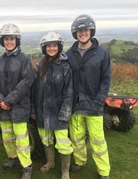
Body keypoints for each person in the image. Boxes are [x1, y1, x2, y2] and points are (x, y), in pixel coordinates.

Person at [66, 14, 111, 179]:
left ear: (91, 31)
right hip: (76, 105)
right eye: (79, 31)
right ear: (75, 33)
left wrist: (99, 100)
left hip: (94, 104)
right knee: (77, 138)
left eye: (85, 30)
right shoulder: (69, 54)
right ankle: (80, 161)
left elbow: (106, 79)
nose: (82, 33)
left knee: (98, 140)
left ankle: (104, 171)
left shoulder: (102, 53)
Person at [0, 23, 34, 179]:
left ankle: (26, 166)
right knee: (7, 136)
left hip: (19, 106)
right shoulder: (0, 61)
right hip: (3, 106)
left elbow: (26, 82)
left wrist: (9, 101)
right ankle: (12, 157)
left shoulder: (24, 60)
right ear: (3, 41)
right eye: (6, 39)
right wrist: (0, 99)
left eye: (12, 39)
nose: (9, 42)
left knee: (21, 137)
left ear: (17, 40)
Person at [31, 32, 73, 179]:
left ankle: (65, 171)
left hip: (59, 113)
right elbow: (33, 91)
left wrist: (64, 113)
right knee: (46, 140)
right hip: (42, 112)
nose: (52, 48)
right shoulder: (38, 66)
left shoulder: (65, 67)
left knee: (63, 144)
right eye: (48, 46)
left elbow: (69, 92)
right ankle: (50, 162)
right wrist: (33, 111)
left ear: (59, 47)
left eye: (54, 45)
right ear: (44, 48)